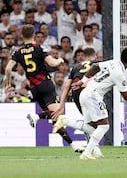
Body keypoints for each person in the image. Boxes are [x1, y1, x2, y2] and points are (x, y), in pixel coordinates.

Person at [52, 47, 127, 160]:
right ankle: (86, 153)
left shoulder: (113, 62)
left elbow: (95, 66)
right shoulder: (120, 75)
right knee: (104, 126)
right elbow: (126, 96)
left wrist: (82, 81)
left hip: (85, 92)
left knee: (91, 128)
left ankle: (65, 121)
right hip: (93, 95)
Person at [4, 24, 83, 153]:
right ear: (34, 35)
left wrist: (7, 84)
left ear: (22, 36)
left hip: (34, 88)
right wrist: (60, 60)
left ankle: (73, 145)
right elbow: (52, 63)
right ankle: (36, 116)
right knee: (57, 113)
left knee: (55, 118)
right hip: (45, 85)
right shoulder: (39, 48)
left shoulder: (18, 51)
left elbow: (8, 68)